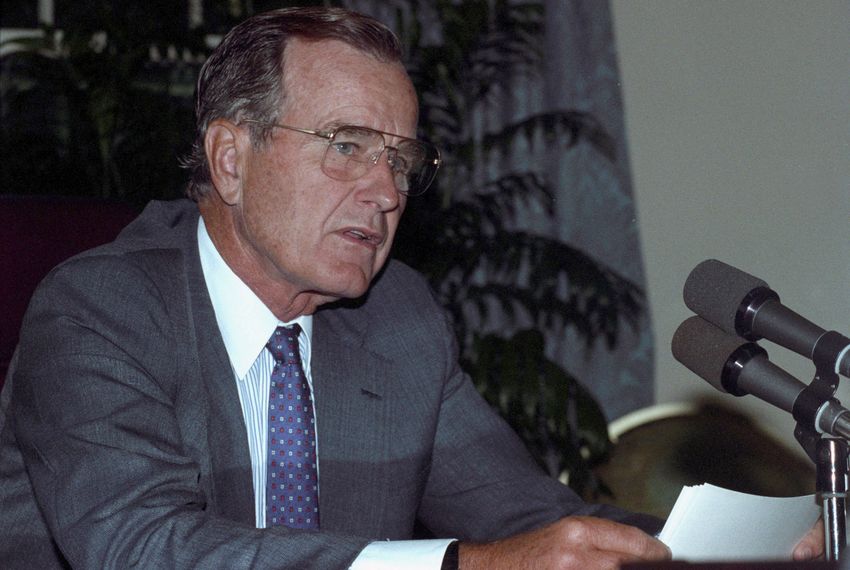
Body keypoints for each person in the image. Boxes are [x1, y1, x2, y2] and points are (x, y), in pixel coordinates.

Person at [0, 7, 822, 569]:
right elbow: (145, 548)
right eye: (348, 146)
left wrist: (730, 555)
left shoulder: (397, 319)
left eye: (400, 160)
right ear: (229, 158)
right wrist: (462, 566)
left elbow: (527, 523)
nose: (387, 191)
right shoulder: (97, 312)